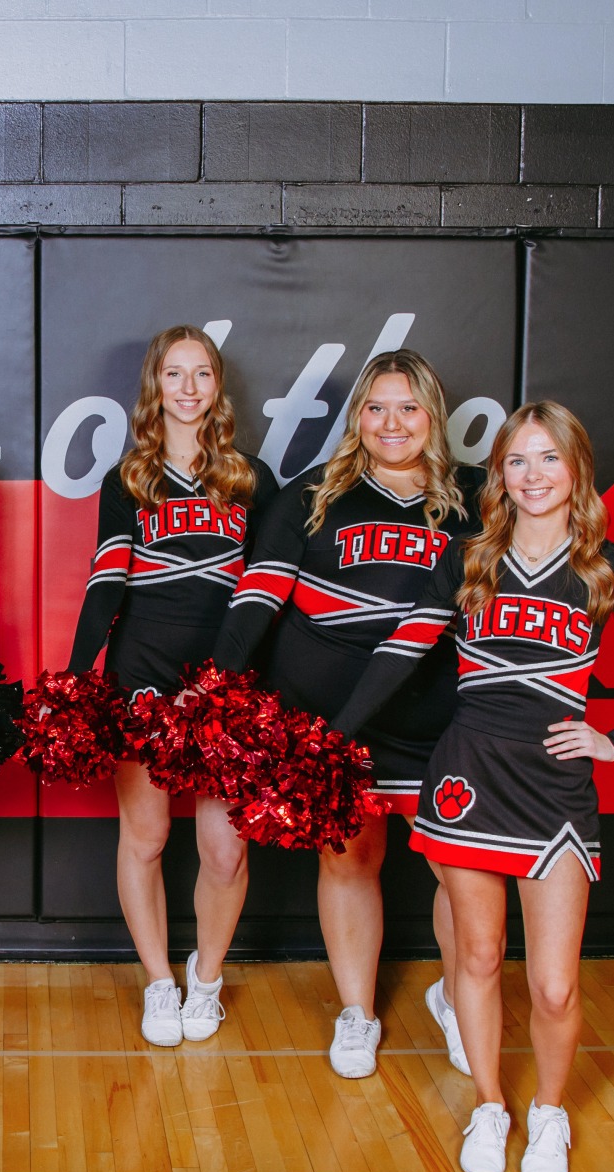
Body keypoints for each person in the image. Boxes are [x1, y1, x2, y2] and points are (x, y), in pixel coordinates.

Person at [332, 401, 614, 1172]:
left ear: (577, 470)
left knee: (554, 982)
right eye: (517, 461)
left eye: (549, 460)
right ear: (498, 473)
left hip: (554, 788)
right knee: (475, 954)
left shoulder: (607, 568)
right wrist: (330, 736)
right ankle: (491, 1104)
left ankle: (549, 1111)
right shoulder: (471, 559)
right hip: (468, 775)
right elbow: (398, 656)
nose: (533, 476)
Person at [213, 351, 480, 1081]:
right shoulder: (311, 496)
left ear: (434, 416)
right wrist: (215, 683)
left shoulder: (481, 498)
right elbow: (256, 598)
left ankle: (461, 998)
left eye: (409, 408)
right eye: (377, 408)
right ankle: (357, 1010)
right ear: (358, 417)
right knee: (351, 857)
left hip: (440, 722)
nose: (392, 424)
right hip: (334, 721)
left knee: (459, 871)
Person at [66, 325, 278, 1048]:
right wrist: (75, 678)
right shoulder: (129, 478)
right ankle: (160, 979)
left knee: (225, 851)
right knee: (148, 835)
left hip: (221, 681)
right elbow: (106, 583)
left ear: (218, 388)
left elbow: (270, 589)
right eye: (174, 375)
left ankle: (206, 978)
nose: (188, 390)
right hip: (144, 675)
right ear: (155, 386)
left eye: (202, 375)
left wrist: (232, 679)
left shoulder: (252, 479)